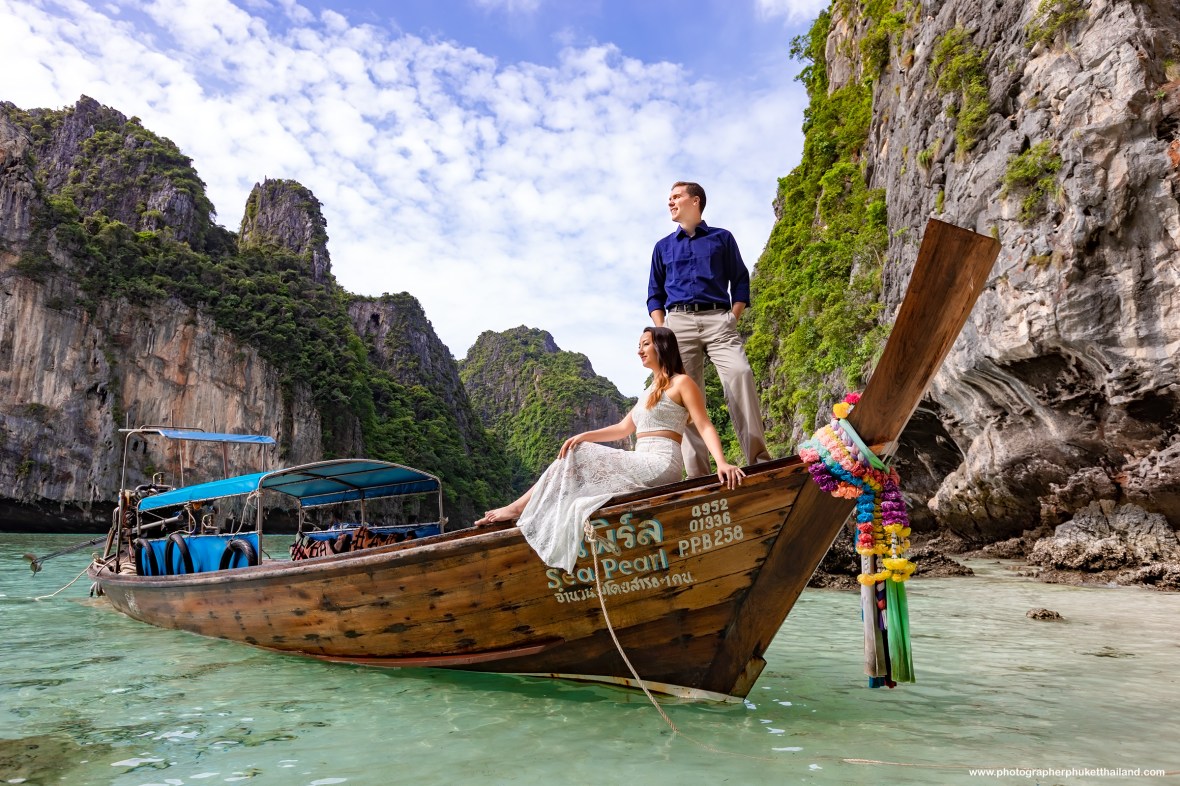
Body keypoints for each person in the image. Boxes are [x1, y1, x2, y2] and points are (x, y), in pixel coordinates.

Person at [474, 326, 744, 572]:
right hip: (641, 458)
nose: (639, 350)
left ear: (662, 346)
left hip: (661, 462)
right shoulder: (648, 391)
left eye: (645, 344)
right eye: (639, 344)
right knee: (573, 453)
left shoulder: (681, 383)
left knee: (579, 454)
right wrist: (582, 435)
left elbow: (704, 425)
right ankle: (521, 507)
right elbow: (622, 428)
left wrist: (721, 462)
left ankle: (518, 508)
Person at [647, 181, 771, 477]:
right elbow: (654, 293)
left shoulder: (721, 238)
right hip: (678, 324)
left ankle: (759, 462)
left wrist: (734, 316)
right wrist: (662, 329)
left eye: (676, 196)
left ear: (695, 201)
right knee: (684, 396)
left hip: (719, 319)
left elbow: (740, 280)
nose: (670, 202)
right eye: (669, 198)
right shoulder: (662, 247)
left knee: (740, 373)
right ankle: (699, 475)